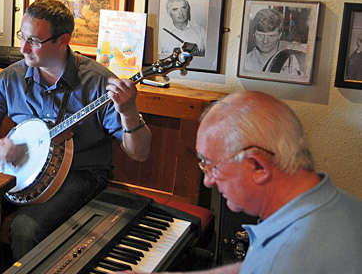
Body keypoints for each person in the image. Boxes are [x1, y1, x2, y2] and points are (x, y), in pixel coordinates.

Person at [0, 0, 151, 260]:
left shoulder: (98, 82)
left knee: (24, 229)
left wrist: (129, 111)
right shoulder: (13, 77)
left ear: (63, 40)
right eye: (22, 36)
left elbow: (140, 153)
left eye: (34, 41)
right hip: (22, 170)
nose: (22, 48)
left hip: (82, 174)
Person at [116, 91, 362, 274]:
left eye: (211, 164)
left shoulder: (287, 258)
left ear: (258, 166)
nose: (208, 181)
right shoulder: (331, 202)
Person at [242, 8, 304, 77]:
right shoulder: (244, 63)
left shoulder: (297, 51)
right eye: (261, 35)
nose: (265, 41)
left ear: (279, 35)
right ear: (253, 34)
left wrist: (299, 75)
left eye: (271, 36)